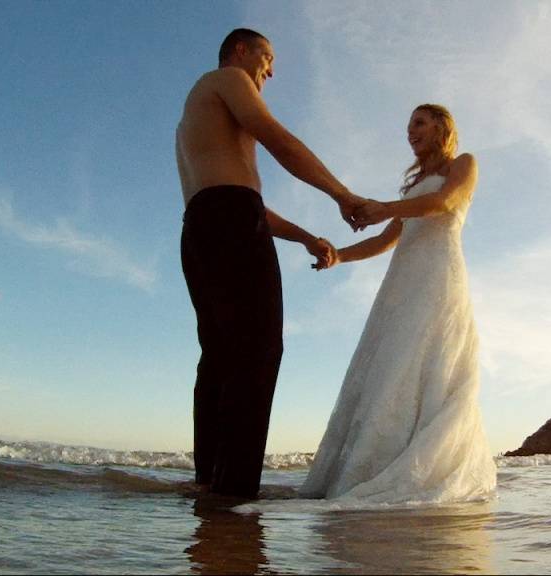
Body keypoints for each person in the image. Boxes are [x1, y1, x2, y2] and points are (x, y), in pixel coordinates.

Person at [176, 28, 365, 499]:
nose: (272, 70)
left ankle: (210, 483)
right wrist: (341, 194)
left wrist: (302, 237)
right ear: (240, 50)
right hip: (230, 221)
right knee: (259, 350)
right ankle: (236, 489)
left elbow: (232, 195)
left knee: (219, 356)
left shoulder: (190, 120)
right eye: (268, 56)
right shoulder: (227, 79)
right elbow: (277, 140)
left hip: (199, 226)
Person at [299, 104, 496, 503]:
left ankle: (423, 468)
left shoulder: (464, 164)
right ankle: (369, 468)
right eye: (408, 126)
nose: (410, 132)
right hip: (400, 284)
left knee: (428, 363)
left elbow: (444, 202)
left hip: (438, 277)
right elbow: (384, 240)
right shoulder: (412, 187)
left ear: (442, 127)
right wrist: (339, 255)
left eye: (419, 123)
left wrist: (386, 207)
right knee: (389, 368)